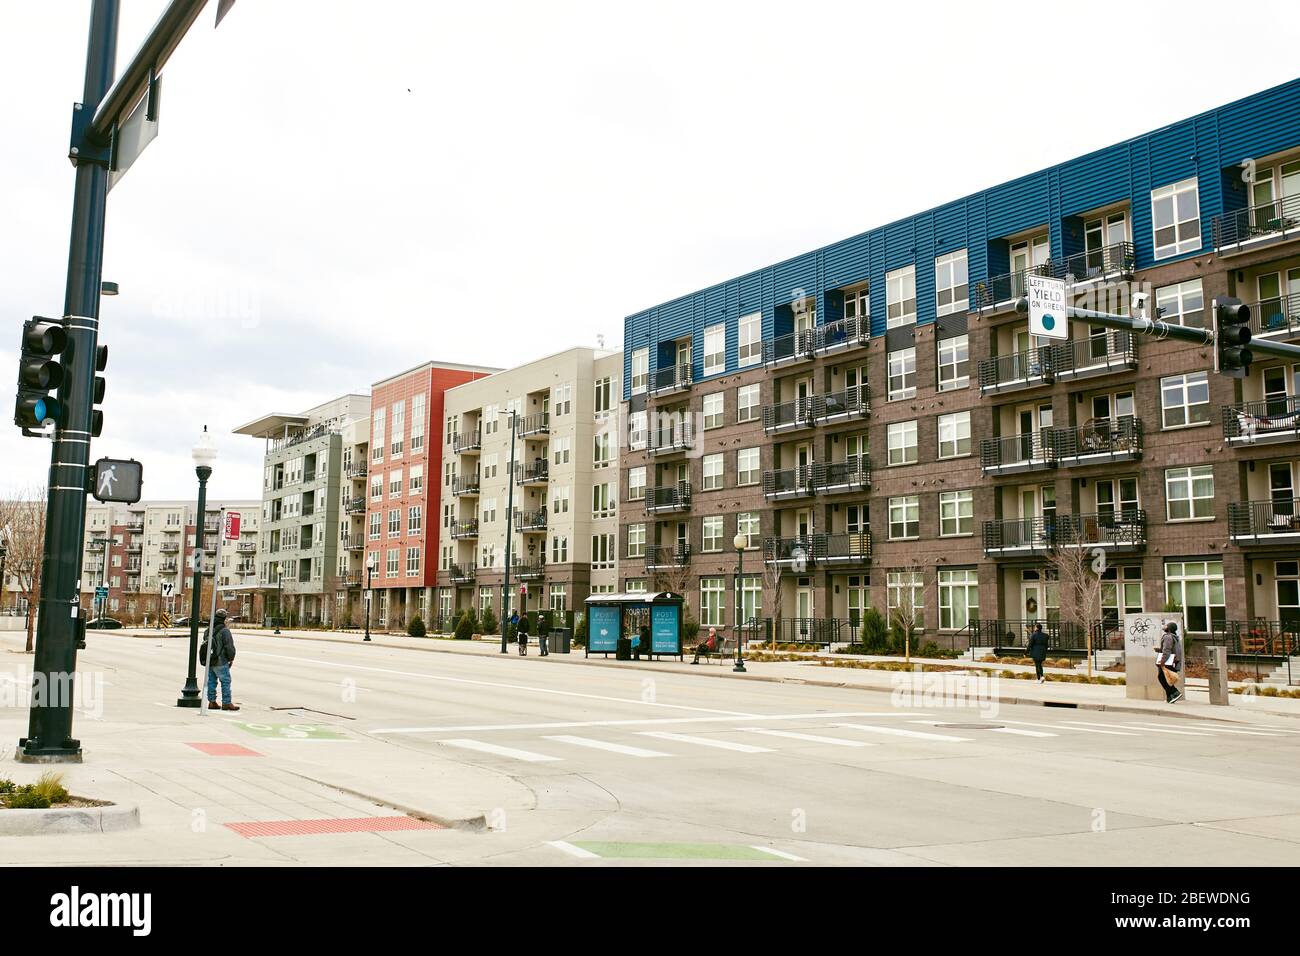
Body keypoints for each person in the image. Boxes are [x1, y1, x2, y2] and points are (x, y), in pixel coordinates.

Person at [205, 609, 239, 711]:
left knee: (211, 681)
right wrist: (231, 658)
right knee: (225, 681)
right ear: (224, 618)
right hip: (221, 660)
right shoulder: (225, 631)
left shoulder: (209, 630)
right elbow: (229, 647)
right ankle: (226, 703)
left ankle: (212, 702)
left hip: (210, 660)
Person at [1157, 621, 1183, 703]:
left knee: (1162, 678)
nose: (1164, 627)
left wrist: (1162, 661)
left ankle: (1175, 692)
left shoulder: (1168, 637)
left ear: (1169, 628)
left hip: (1168, 661)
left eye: (1166, 626)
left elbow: (1167, 651)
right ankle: (1170, 698)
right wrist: (1159, 650)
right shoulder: (1174, 637)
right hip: (1173, 661)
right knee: (1166, 678)